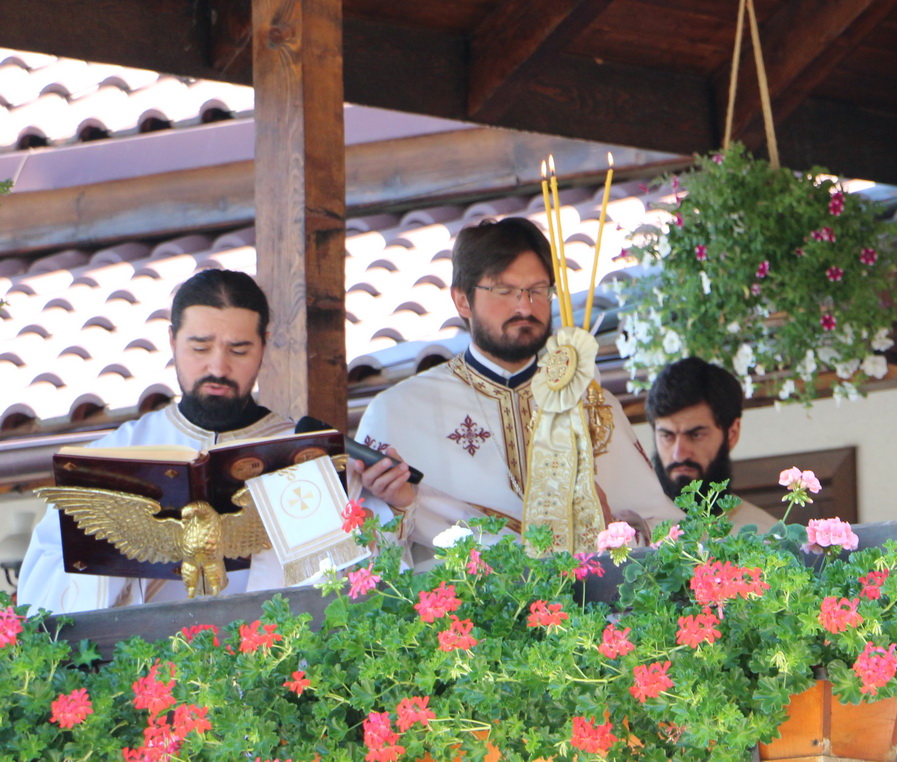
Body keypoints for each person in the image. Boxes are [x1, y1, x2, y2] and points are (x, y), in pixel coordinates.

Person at [356, 217, 678, 563]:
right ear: (462, 300)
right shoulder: (399, 412)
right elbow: (360, 565)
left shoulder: (591, 403)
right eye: (505, 291)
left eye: (538, 290)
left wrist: (611, 527)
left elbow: (667, 532)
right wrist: (400, 509)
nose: (525, 306)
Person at [18, 269, 294, 613]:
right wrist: (118, 549)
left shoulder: (304, 456)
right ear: (172, 341)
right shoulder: (111, 457)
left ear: (264, 344)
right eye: (200, 347)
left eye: (239, 350)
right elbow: (42, 588)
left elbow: (340, 575)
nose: (218, 368)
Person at [645, 356, 776, 531]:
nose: (679, 454)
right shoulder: (628, 534)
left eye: (696, 435)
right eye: (667, 436)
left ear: (731, 434)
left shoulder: (767, 537)